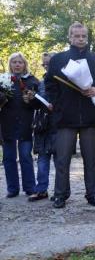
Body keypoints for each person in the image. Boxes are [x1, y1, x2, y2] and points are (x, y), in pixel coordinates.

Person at [45, 22, 95, 208]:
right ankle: (60, 195)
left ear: (87, 37)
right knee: (62, 158)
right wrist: (59, 105)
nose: (80, 39)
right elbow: (49, 84)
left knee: (90, 159)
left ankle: (92, 194)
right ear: (70, 37)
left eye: (83, 36)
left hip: (89, 115)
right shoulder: (58, 59)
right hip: (66, 117)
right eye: (77, 36)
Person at [0, 52, 39, 198]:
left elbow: (39, 103)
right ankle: (12, 188)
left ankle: (30, 187)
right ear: (10, 64)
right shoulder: (3, 80)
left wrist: (31, 100)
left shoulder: (32, 80)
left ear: (24, 65)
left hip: (25, 124)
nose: (17, 64)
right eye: (14, 62)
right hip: (7, 124)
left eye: (20, 62)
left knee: (25, 156)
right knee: (9, 157)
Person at [28, 52, 57, 201]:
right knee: (42, 160)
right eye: (44, 64)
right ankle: (41, 190)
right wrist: (32, 99)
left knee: (60, 161)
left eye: (49, 63)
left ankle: (60, 191)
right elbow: (37, 103)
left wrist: (56, 106)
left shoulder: (64, 79)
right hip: (42, 125)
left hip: (58, 125)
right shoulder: (41, 82)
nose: (46, 66)